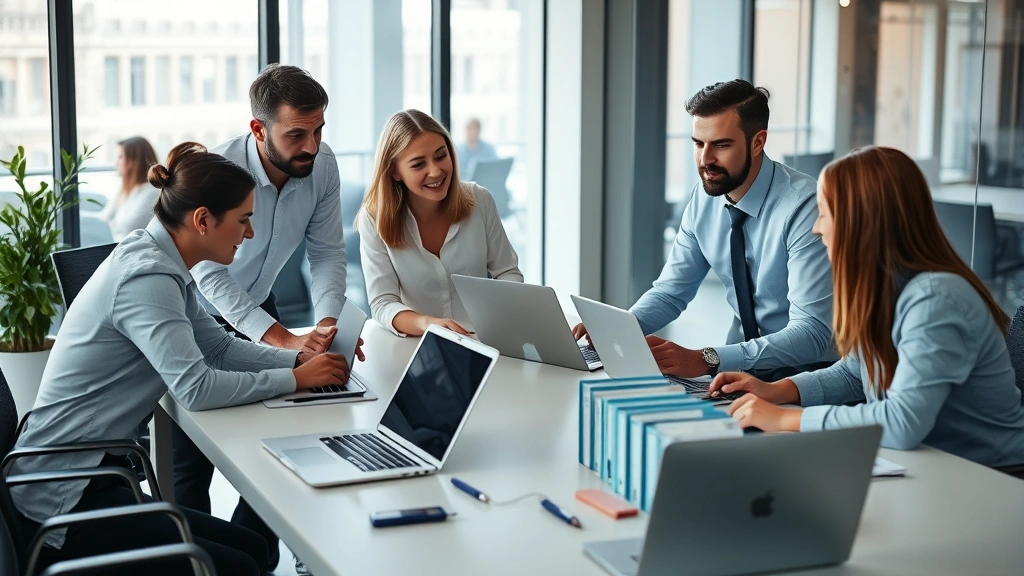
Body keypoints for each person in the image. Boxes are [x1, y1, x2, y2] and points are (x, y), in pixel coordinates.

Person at [9, 142, 350, 576]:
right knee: (241, 564)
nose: (249, 233)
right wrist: (296, 382)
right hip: (64, 499)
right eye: (244, 220)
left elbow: (219, 348)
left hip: (99, 472)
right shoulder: (147, 279)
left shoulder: (162, 261)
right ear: (203, 220)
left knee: (253, 548)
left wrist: (297, 360)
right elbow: (196, 389)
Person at [709, 146, 1024, 469]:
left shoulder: (936, 300)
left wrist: (788, 419)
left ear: (860, 222)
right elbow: (856, 374)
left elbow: (902, 424)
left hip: (996, 477)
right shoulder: (888, 287)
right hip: (939, 466)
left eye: (824, 213)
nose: (817, 228)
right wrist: (776, 391)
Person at [178, 63, 351, 573]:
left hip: (262, 305)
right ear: (259, 129)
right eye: (296, 134)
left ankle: (249, 554)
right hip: (193, 311)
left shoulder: (323, 167)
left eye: (318, 130)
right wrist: (280, 339)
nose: (311, 146)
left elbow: (327, 254)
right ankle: (194, 563)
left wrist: (324, 325)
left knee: (288, 432)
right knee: (194, 458)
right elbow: (208, 276)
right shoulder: (219, 170)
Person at [575, 79, 836, 381]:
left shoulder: (804, 207)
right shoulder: (705, 197)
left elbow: (813, 333)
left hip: (810, 378)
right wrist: (619, 329)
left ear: (757, 142)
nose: (705, 160)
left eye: (721, 145)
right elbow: (670, 292)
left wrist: (706, 359)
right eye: (698, 144)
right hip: (737, 374)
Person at [358, 109, 522, 337]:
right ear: (395, 171)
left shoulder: (479, 200)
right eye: (418, 164)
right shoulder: (374, 218)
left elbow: (507, 272)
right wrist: (427, 324)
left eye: (440, 156)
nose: (435, 171)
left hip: (483, 339)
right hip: (418, 346)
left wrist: (497, 319)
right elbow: (383, 304)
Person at [100, 136, 161, 241]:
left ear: (134, 161)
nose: (116, 163)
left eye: (120, 157)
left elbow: (130, 229)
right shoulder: (127, 189)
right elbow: (105, 217)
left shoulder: (152, 192)